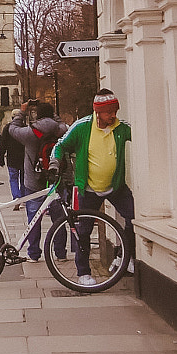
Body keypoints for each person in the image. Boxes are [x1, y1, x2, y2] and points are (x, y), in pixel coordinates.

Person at [53, 89, 134, 287]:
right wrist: (55, 163)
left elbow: (145, 138)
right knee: (84, 231)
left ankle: (123, 257)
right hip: (88, 188)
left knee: (134, 217)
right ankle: (83, 273)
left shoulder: (122, 128)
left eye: (115, 110)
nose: (113, 115)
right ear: (98, 112)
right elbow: (60, 145)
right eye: (108, 112)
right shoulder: (82, 127)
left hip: (116, 187)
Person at [8, 100, 68, 263]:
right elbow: (63, 124)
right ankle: (60, 253)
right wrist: (53, 113)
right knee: (59, 218)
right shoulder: (60, 130)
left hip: (33, 182)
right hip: (54, 181)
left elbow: (12, 129)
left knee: (34, 219)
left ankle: (34, 253)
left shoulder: (30, 133)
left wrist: (22, 111)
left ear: (38, 115)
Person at [0, 114, 25, 200]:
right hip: (23, 158)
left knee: (13, 179)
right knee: (23, 179)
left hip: (12, 158)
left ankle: (16, 197)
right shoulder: (25, 127)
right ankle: (23, 198)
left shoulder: (7, 128)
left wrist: (1, 158)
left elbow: (3, 144)